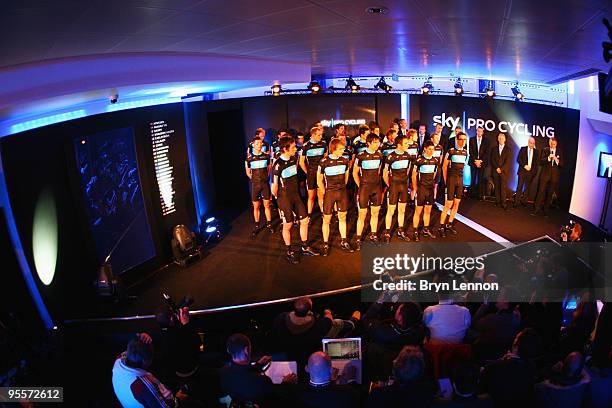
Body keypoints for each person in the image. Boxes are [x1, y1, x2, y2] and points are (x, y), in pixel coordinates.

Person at [272, 136, 319, 264]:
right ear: (285, 149)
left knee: (304, 221)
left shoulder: (294, 159)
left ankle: (304, 246)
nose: (295, 149)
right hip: (284, 199)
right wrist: (279, 201)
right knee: (288, 225)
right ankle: (289, 251)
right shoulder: (277, 165)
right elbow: (274, 187)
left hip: (296, 196)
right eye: (293, 147)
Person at [220, 333, 294, 406]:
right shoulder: (261, 381)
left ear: (228, 350)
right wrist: (286, 383)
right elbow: (276, 396)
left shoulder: (224, 371)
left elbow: (241, 370)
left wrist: (258, 365)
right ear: (246, 350)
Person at [112, 333, 182, 407]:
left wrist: (140, 340)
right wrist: (177, 399)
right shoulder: (144, 385)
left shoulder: (118, 360)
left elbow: (128, 352)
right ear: (145, 361)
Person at [479, 328, 542, 407]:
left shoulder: (494, 367)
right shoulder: (532, 368)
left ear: (516, 345)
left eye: (516, 338)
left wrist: (484, 370)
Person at [366, 346, 436, 407]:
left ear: (394, 370)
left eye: (396, 358)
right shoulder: (430, 394)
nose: (393, 360)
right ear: (422, 371)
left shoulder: (378, 395)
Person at [317, 138, 354, 255]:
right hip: (330, 194)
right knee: (327, 219)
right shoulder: (323, 162)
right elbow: (319, 180)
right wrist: (325, 192)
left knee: (342, 217)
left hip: (342, 193)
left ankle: (344, 241)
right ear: (333, 149)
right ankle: (326, 243)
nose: (343, 151)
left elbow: (346, 177)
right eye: (341, 149)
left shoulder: (344, 160)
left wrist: (341, 188)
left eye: (343, 148)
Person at [293, 351, 360, 408]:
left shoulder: (296, 392)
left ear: (306, 369)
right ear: (331, 370)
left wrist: (286, 383)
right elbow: (359, 400)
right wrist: (351, 380)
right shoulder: (346, 392)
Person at [352, 133, 384, 249]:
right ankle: (359, 238)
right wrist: (360, 186)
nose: (377, 144)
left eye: (378, 142)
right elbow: (354, 173)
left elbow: (379, 171)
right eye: (375, 142)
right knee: (362, 215)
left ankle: (373, 235)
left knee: (375, 213)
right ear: (368, 143)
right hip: (364, 189)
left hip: (376, 188)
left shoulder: (380, 155)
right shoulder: (361, 156)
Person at [381, 134, 412, 242]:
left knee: (402, 210)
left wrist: (404, 181)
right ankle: (387, 232)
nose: (408, 145)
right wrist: (390, 186)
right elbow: (385, 174)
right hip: (393, 186)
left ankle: (400, 230)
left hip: (403, 186)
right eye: (406, 143)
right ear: (399, 145)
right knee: (391, 210)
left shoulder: (408, 155)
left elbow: (408, 170)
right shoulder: (391, 157)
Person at [439, 132, 468, 237]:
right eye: (461, 139)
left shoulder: (465, 152)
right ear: (457, 139)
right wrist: (447, 181)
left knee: (457, 203)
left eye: (465, 139)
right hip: (451, 180)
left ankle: (449, 224)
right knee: (448, 204)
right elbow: (444, 167)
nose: (463, 141)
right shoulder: (450, 151)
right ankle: (441, 226)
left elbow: (463, 167)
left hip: (460, 181)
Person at [245, 137, 274, 239]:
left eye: (261, 143)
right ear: (253, 145)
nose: (260, 145)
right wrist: (255, 180)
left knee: (267, 205)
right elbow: (248, 172)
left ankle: (269, 223)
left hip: (265, 185)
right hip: (255, 186)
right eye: (257, 143)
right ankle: (257, 225)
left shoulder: (266, 156)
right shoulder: (249, 158)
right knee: (256, 206)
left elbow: (269, 169)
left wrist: (265, 179)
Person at [411, 140, 439, 241]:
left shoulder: (435, 160)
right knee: (418, 211)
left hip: (430, 189)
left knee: (428, 210)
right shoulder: (419, 160)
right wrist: (416, 188)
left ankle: (426, 229)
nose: (431, 151)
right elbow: (414, 175)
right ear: (425, 149)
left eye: (433, 149)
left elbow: (434, 174)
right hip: (421, 189)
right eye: (429, 149)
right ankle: (415, 231)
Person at [300, 126, 327, 216]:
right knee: (311, 196)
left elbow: (325, 158)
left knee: (321, 195)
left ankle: (323, 213)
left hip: (321, 174)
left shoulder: (323, 144)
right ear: (313, 135)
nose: (320, 137)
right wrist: (308, 172)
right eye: (319, 135)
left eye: (321, 135)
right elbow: (301, 162)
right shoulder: (306, 146)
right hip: (311, 174)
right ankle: (309, 215)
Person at [532, 137, 563, 216]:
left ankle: (546, 210)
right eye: (552, 144)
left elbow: (562, 164)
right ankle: (536, 209)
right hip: (545, 176)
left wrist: (556, 159)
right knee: (540, 192)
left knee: (549, 194)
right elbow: (541, 162)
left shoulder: (559, 151)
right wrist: (548, 158)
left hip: (554, 177)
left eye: (554, 144)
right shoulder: (545, 150)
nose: (553, 146)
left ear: (556, 144)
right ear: (549, 143)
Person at [490, 132, 512, 210]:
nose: (501, 140)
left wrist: (501, 169)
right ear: (497, 139)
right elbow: (492, 159)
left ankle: (503, 203)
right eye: (499, 138)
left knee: (503, 188)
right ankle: (498, 201)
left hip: (504, 172)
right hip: (495, 171)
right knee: (497, 187)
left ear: (505, 139)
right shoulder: (494, 149)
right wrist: (497, 168)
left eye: (502, 138)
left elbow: (508, 161)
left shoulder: (508, 149)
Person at [515, 136, 539, 207]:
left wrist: (533, 173)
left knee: (527, 188)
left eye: (533, 143)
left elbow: (536, 163)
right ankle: (516, 203)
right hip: (522, 171)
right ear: (528, 142)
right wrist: (524, 165)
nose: (532, 145)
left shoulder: (536, 152)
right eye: (531, 143)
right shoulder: (523, 149)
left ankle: (524, 202)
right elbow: (518, 159)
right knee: (519, 187)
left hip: (531, 173)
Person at [468, 126, 490, 200]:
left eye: (481, 131)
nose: (479, 132)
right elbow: (470, 151)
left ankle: (480, 195)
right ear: (476, 131)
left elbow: (487, 152)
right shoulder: (471, 139)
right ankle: (471, 194)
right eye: (478, 131)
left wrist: (480, 161)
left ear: (483, 132)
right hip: (473, 162)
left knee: (481, 179)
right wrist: (476, 161)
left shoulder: (486, 141)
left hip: (482, 163)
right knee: (473, 179)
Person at [430, 131, 445, 200]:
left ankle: (434, 199)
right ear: (432, 139)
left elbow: (441, 156)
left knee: (436, 184)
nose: (438, 139)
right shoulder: (429, 147)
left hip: (437, 168)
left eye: (438, 138)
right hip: (429, 168)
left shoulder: (440, 147)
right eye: (436, 138)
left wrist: (439, 165)